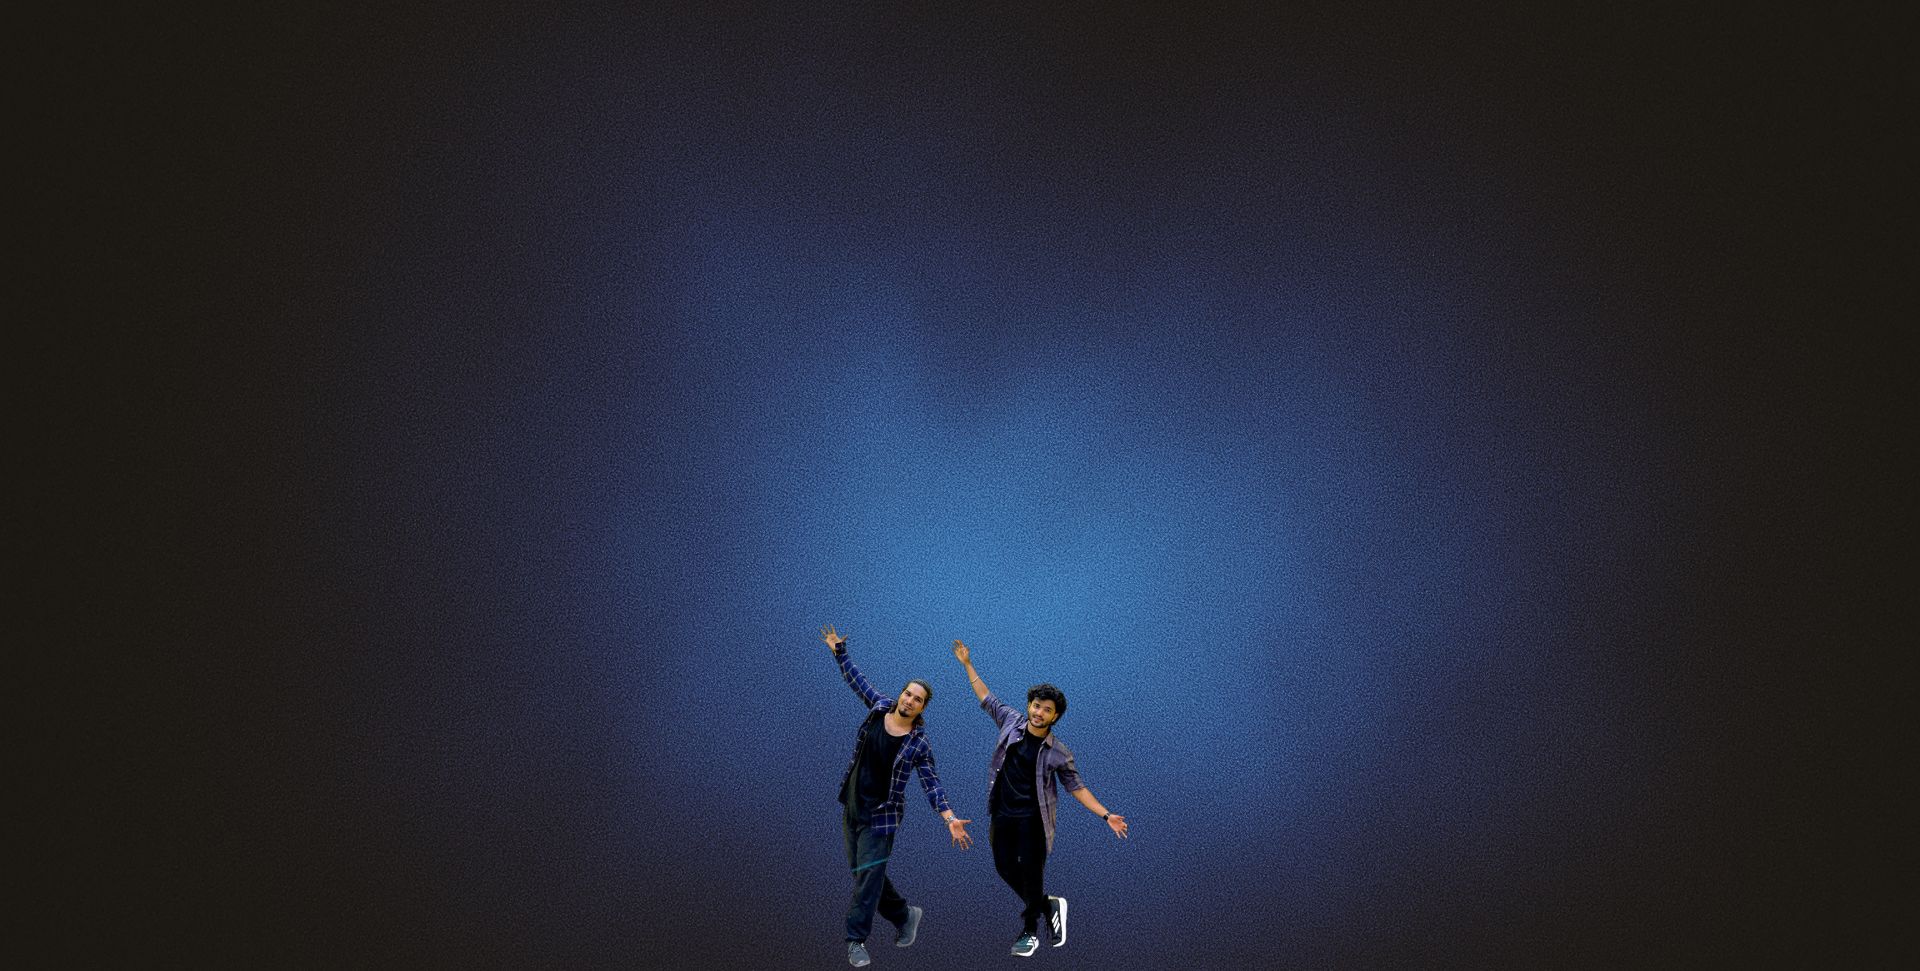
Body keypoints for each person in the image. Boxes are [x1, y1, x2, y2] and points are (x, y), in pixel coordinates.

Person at [952, 638, 1128, 957]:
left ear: (1055, 716)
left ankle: (1030, 932)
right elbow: (986, 697)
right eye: (1036, 705)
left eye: (1047, 710)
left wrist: (1106, 815)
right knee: (1004, 868)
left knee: (1032, 873)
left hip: (1033, 821)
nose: (1039, 712)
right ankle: (1048, 905)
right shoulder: (1011, 722)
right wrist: (967, 664)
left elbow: (1077, 787)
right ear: (1029, 706)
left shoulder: (1059, 752)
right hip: (1002, 813)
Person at [821, 625, 974, 968]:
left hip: (881, 819)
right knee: (864, 874)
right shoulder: (879, 707)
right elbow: (857, 681)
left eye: (917, 699)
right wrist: (840, 652)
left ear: (922, 708)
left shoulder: (919, 744)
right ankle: (905, 914)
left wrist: (950, 818)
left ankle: (855, 939)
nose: (909, 700)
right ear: (900, 694)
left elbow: (932, 785)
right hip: (852, 806)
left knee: (867, 879)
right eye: (908, 694)